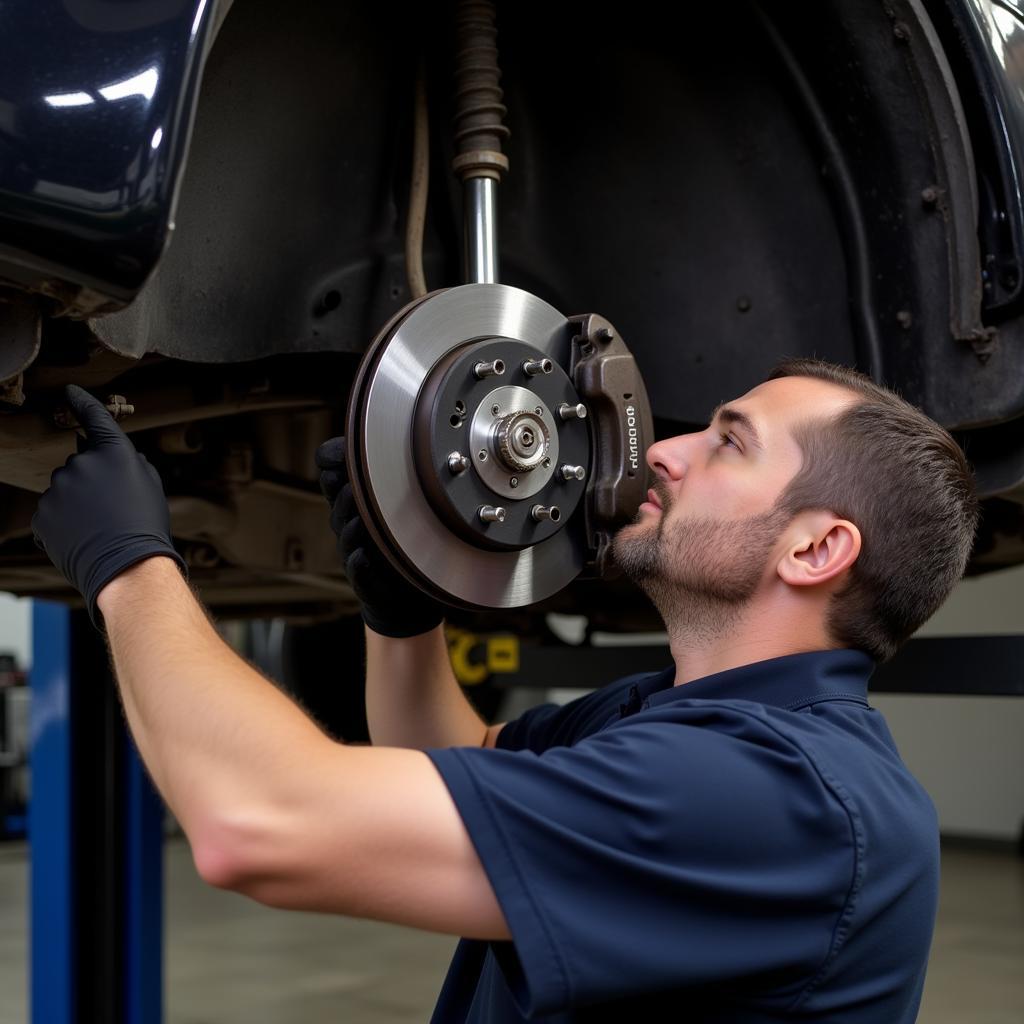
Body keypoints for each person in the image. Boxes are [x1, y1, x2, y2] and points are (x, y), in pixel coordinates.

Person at [31, 358, 978, 1023]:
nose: (663, 451)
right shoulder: (691, 721)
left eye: (728, 444)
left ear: (815, 549)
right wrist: (403, 616)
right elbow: (455, 759)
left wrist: (128, 567)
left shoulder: (774, 796)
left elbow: (258, 823)